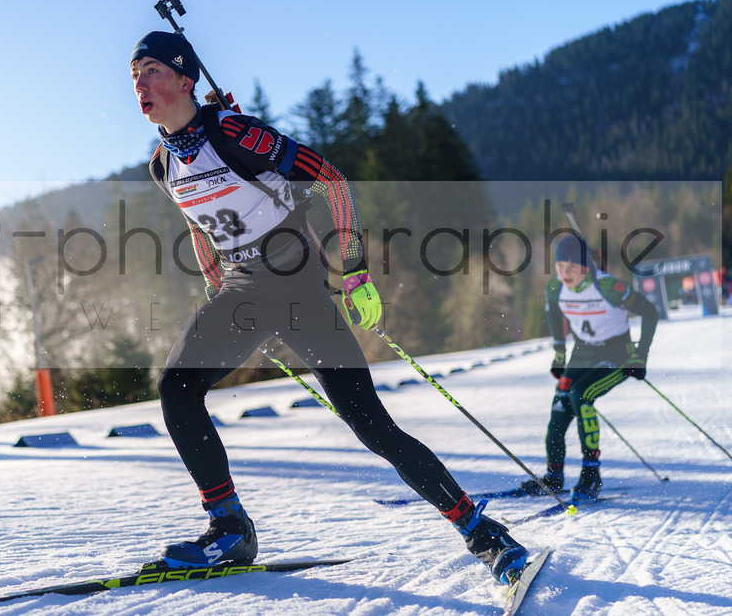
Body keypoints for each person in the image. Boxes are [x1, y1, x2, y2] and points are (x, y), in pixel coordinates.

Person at [130, 30, 531, 583]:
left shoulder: (233, 133)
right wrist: (212, 276)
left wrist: (357, 269)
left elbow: (331, 180)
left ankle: (482, 532)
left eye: (151, 70)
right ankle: (229, 530)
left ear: (183, 78)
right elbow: (197, 223)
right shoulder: (161, 165)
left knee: (372, 428)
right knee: (176, 388)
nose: (140, 84)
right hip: (244, 290)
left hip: (296, 289)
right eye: (133, 76)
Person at [521, 234, 659, 501]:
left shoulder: (609, 287)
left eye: (572, 266)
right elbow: (552, 313)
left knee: (581, 395)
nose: (565, 273)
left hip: (617, 353)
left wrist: (640, 356)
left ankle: (591, 473)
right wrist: (559, 354)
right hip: (582, 352)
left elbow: (649, 312)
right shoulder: (555, 289)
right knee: (560, 406)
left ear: (586, 266)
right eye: (560, 266)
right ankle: (554, 475)